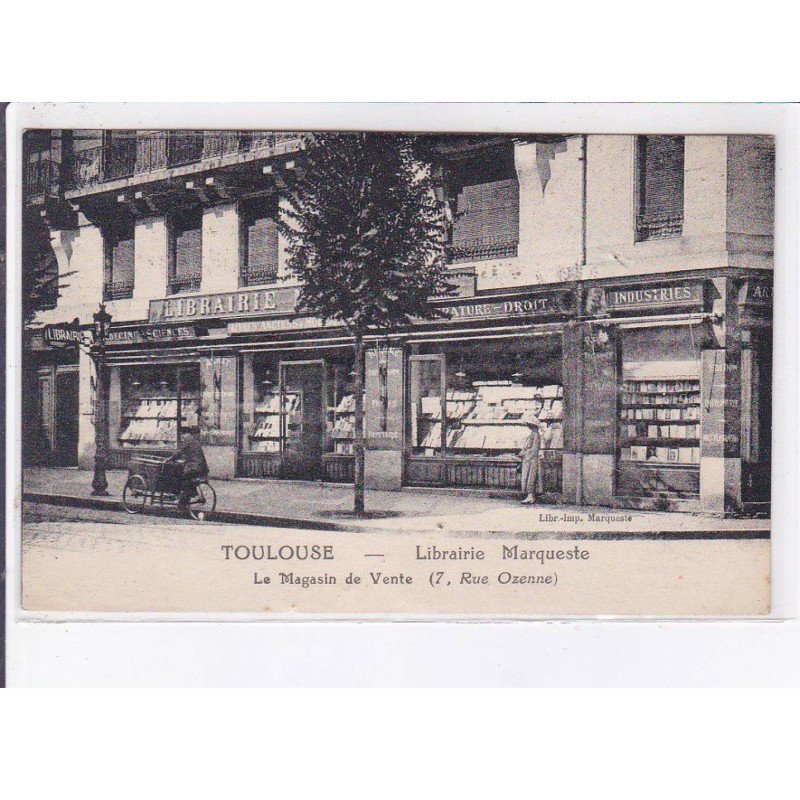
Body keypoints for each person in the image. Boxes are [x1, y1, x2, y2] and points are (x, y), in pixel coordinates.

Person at [168, 427, 209, 509]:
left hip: (194, 467)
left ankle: (182, 504)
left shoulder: (187, 440)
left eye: (182, 434)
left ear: (184, 434)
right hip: (201, 467)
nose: (182, 436)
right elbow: (191, 454)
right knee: (189, 482)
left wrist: (170, 459)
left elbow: (179, 452)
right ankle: (189, 497)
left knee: (182, 480)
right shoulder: (194, 440)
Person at [518, 421, 541, 505]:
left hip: (531, 459)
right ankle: (530, 496)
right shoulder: (533, 434)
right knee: (528, 478)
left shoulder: (535, 435)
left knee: (530, 478)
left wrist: (525, 454)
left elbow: (534, 449)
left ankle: (530, 496)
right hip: (529, 459)